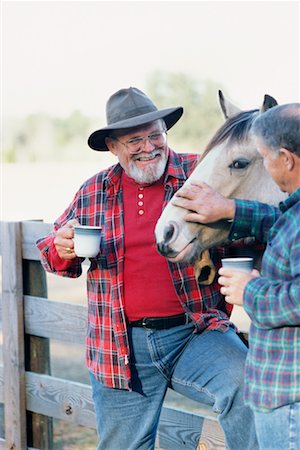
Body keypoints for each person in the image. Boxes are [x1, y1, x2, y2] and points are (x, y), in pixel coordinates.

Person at [36, 87, 258, 450]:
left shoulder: (198, 172)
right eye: (134, 139)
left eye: (155, 134)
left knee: (247, 383)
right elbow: (50, 250)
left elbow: (249, 210)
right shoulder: (94, 191)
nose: (149, 146)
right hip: (122, 344)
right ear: (113, 147)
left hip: (196, 331)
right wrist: (63, 247)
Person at [173, 103, 300, 449]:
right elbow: (281, 221)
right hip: (278, 391)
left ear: (286, 159)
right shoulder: (294, 211)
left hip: (291, 399)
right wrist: (229, 209)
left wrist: (252, 290)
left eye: (264, 157)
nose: (266, 165)